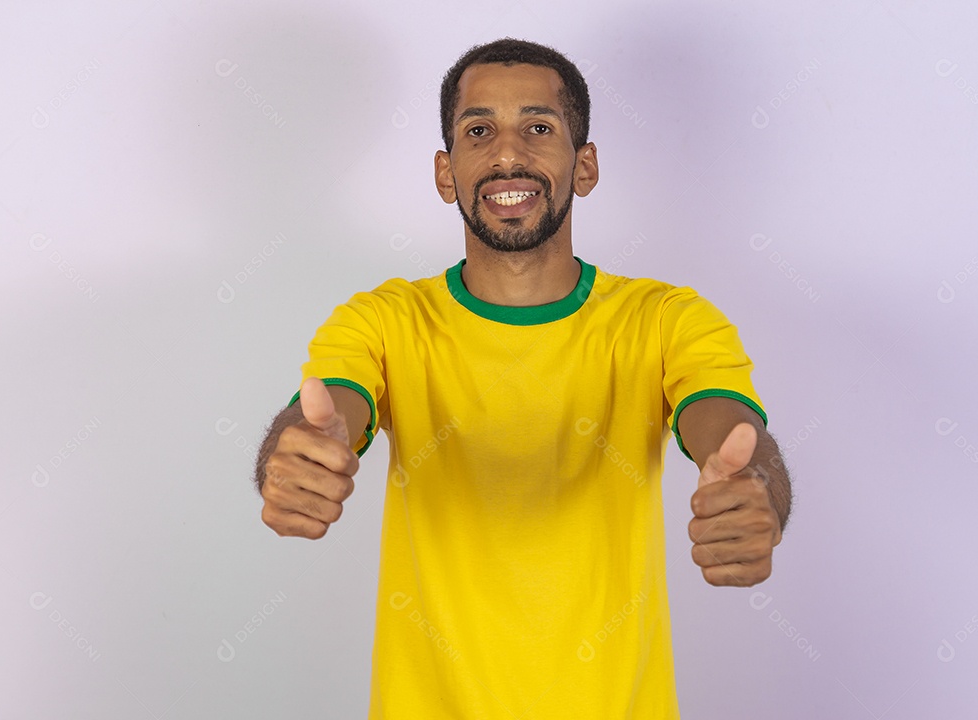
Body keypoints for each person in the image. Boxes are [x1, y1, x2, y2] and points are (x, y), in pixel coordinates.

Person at [255, 37, 792, 720]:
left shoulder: (666, 320)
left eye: (539, 127)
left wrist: (755, 491)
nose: (508, 154)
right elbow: (327, 414)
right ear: (446, 173)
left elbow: (726, 424)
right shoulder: (384, 321)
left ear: (585, 165)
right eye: (479, 131)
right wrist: (295, 454)